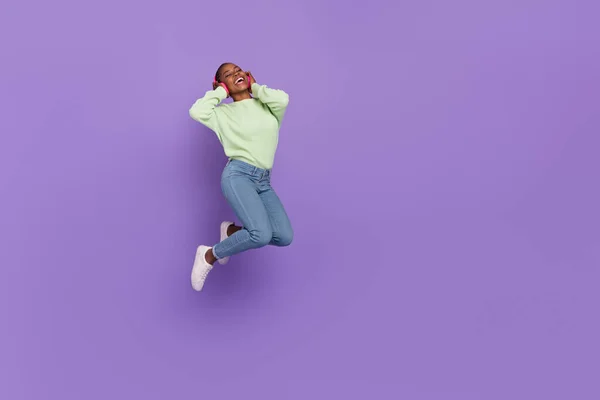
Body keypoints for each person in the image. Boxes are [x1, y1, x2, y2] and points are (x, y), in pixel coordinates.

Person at [188, 62, 293, 291]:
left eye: (238, 70)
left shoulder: (268, 106)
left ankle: (232, 232)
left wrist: (256, 88)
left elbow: (283, 99)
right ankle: (208, 255)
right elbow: (196, 111)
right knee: (260, 235)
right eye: (228, 75)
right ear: (221, 84)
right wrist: (220, 92)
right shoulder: (222, 114)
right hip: (239, 175)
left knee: (284, 236)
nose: (236, 74)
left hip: (264, 181)